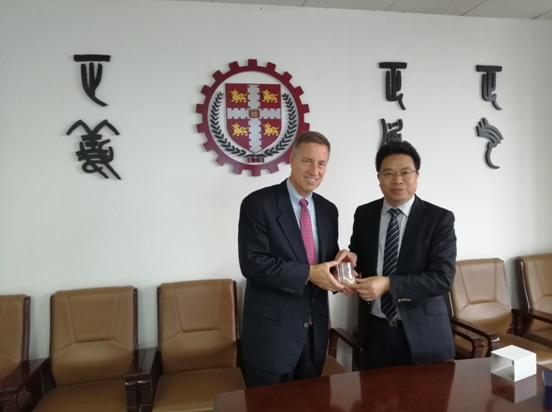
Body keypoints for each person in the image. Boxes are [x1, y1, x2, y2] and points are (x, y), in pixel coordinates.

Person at [238, 131, 349, 388]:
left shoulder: (328, 210)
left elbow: (324, 260)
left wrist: (344, 266)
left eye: (321, 163)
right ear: (292, 159)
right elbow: (253, 263)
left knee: (311, 402)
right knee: (268, 405)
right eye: (307, 161)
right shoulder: (258, 204)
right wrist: (308, 273)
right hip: (272, 335)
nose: (314, 170)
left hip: (314, 333)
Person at [348, 140, 457, 369]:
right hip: (375, 332)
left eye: (405, 172)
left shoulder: (439, 219)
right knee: (374, 392)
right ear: (379, 178)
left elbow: (442, 278)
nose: (397, 180)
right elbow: (359, 257)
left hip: (423, 334)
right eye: (388, 173)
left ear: (417, 176)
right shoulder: (365, 214)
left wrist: (389, 284)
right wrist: (350, 262)